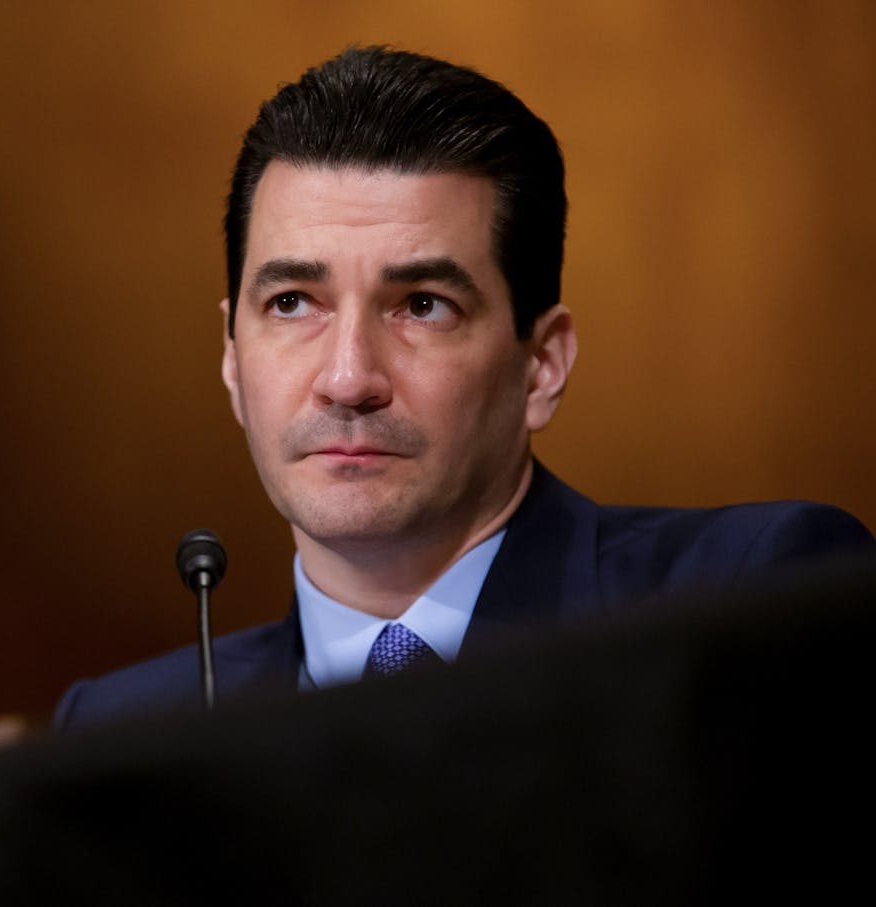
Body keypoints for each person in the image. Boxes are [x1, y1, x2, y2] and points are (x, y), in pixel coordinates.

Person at [53, 46, 873, 732]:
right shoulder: (124, 729)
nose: (347, 379)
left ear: (541, 365)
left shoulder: (749, 604)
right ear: (233, 361)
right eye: (293, 303)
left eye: (422, 306)